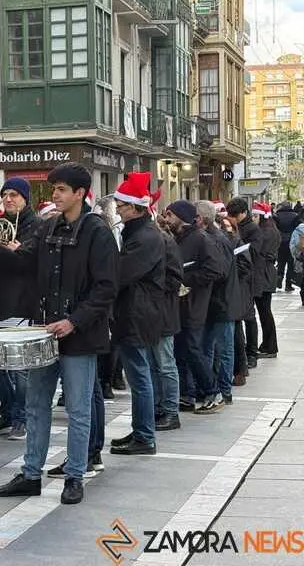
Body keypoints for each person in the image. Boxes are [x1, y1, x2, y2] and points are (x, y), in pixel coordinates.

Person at [0, 163, 118, 505]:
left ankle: (75, 476)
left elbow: (107, 287)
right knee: (37, 405)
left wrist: (74, 321)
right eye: (54, 189)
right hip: (43, 331)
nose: (55, 194)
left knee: (78, 410)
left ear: (80, 193)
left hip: (79, 334)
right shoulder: (49, 225)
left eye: (62, 189)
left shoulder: (97, 231)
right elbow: (21, 261)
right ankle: (31, 473)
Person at [0, 178, 39, 441]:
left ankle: (22, 417)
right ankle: (8, 412)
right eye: (5, 194)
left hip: (23, 302)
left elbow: (28, 263)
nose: (9, 199)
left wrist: (12, 253)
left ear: (25, 198)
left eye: (15, 194)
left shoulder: (36, 226)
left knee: (19, 367)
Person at [109, 173, 164, 456]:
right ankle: (141, 429)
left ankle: (144, 436)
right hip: (136, 311)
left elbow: (123, 273)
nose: (117, 208)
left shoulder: (145, 237)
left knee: (140, 377)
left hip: (137, 313)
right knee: (139, 376)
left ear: (135, 208)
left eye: (121, 204)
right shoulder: (140, 233)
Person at [163, 200, 223, 414]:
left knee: (193, 349)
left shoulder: (200, 239)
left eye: (170, 215)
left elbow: (215, 270)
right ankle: (186, 394)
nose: (167, 219)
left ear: (181, 217)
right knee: (180, 352)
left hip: (194, 304)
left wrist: (186, 280)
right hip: (179, 306)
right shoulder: (178, 239)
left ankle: (212, 391)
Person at [196, 201, 241, 406]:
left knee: (223, 349)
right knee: (207, 348)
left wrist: (197, 276)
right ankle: (211, 388)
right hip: (215, 302)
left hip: (222, 302)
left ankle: (223, 390)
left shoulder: (217, 239)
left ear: (202, 218)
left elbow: (220, 272)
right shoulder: (213, 237)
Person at [151, 214, 183, 431]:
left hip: (163, 312)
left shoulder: (164, 241)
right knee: (154, 365)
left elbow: (174, 278)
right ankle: (158, 407)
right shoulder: (151, 239)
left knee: (165, 364)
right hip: (151, 314)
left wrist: (152, 288)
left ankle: (171, 411)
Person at [226, 198, 263, 372]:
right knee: (241, 317)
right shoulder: (236, 228)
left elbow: (255, 252)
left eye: (234, 215)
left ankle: (252, 353)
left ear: (243, 213)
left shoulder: (253, 229)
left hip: (248, 278)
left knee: (249, 316)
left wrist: (240, 246)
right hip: (238, 280)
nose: (231, 219)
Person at [255, 203, 280, 359]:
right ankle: (267, 345)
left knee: (265, 312)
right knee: (265, 312)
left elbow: (260, 252)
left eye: (255, 215)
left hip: (264, 274)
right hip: (267, 274)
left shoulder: (266, 232)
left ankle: (269, 346)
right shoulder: (272, 230)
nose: (253, 219)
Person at [273, 201, 299, 291]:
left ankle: (279, 280)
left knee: (281, 263)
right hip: (291, 242)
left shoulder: (277, 216)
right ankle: (288, 284)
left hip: (280, 242)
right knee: (291, 264)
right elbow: (298, 228)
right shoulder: (295, 216)